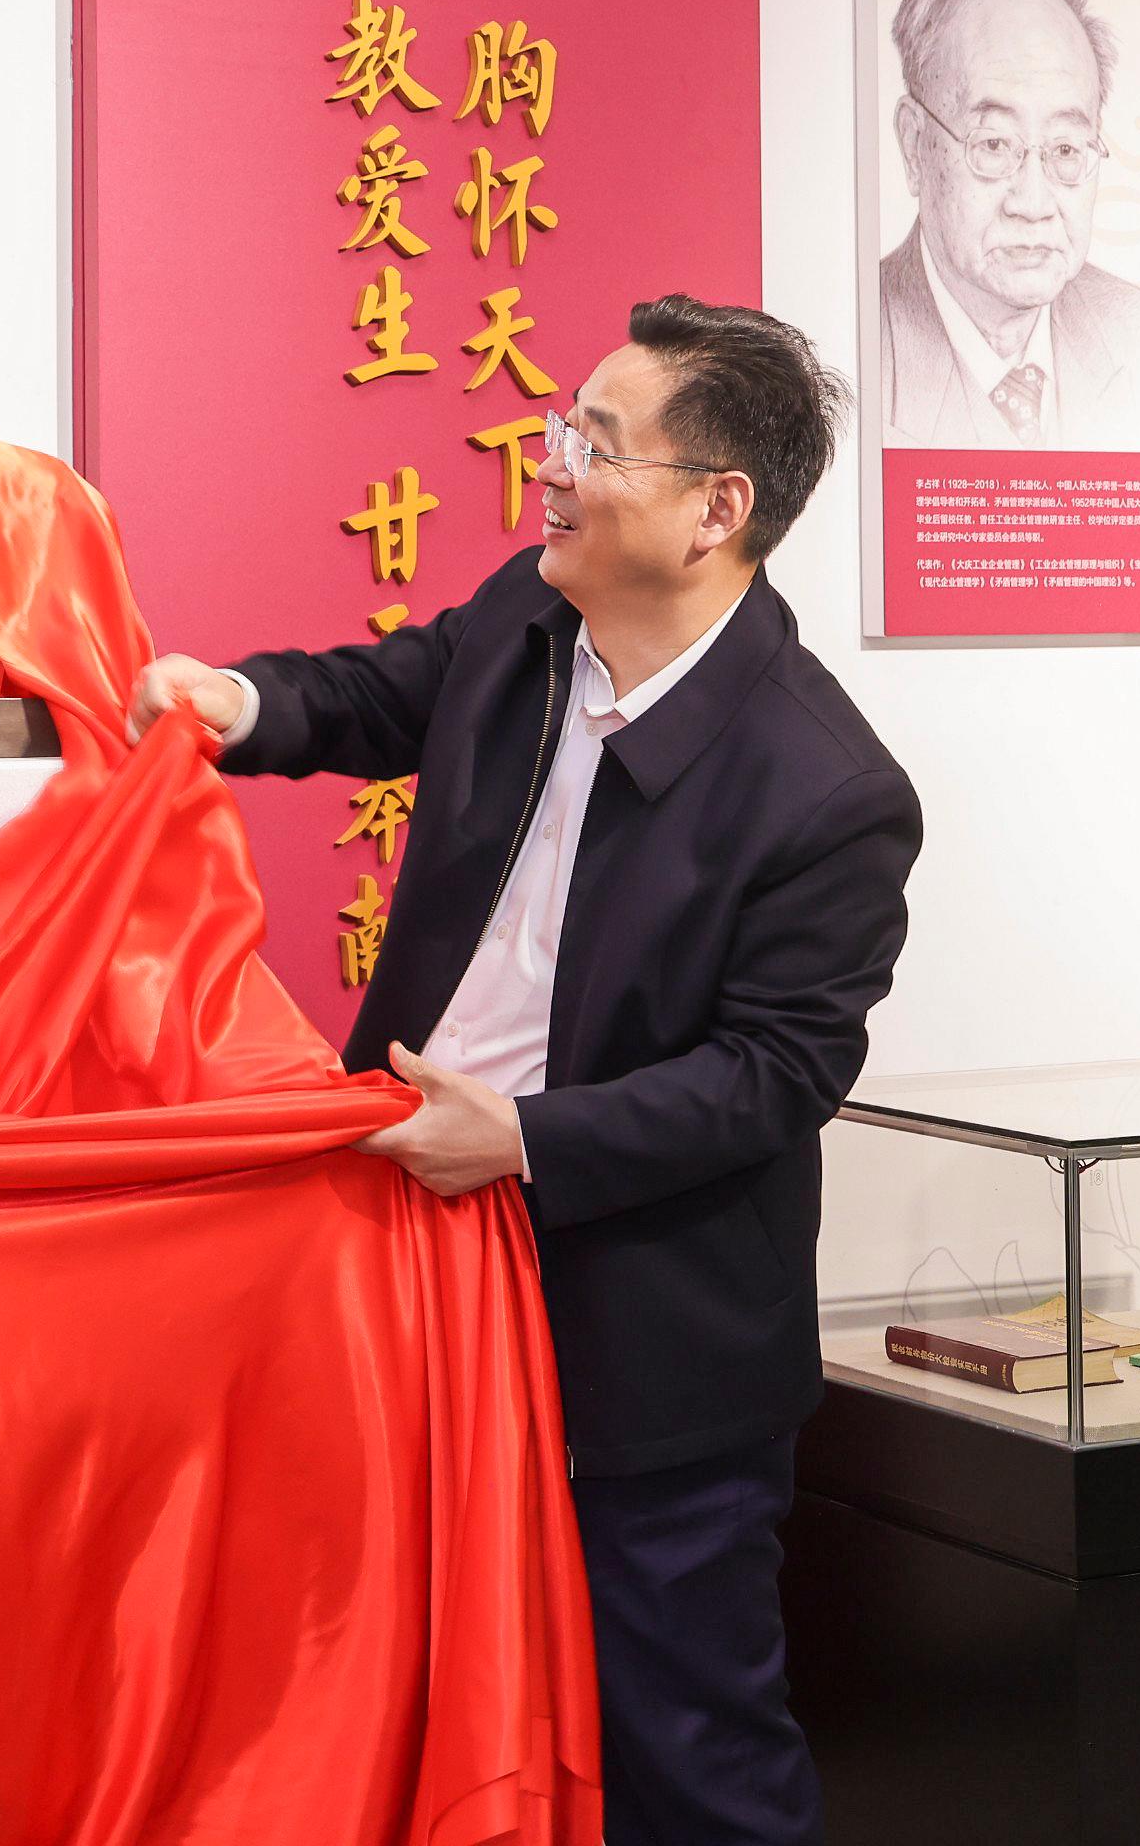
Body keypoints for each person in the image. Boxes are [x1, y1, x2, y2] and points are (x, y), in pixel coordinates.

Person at [135, 294, 922, 1846]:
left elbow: (774, 1075)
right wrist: (241, 704)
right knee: (425, 1686)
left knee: (678, 1736)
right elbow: (392, 689)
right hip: (414, 1261)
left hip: (645, 1332)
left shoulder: (828, 789)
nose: (548, 467)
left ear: (715, 511)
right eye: (564, 427)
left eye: (595, 445)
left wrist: (527, 1140)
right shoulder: (534, 615)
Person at [875, 0, 1140, 447]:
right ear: (914, 145)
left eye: (1065, 148)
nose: (1033, 205)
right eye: (994, 144)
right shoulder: (852, 341)